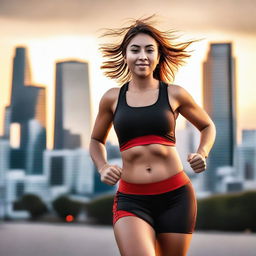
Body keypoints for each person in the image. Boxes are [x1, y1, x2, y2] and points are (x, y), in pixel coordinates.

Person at [89, 15, 216, 256]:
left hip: (177, 197)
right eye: (135, 50)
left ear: (158, 56)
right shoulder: (112, 98)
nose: (142, 56)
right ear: (125, 55)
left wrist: (202, 152)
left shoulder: (175, 94)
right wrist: (103, 166)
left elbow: (207, 126)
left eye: (149, 50)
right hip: (131, 200)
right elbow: (96, 140)